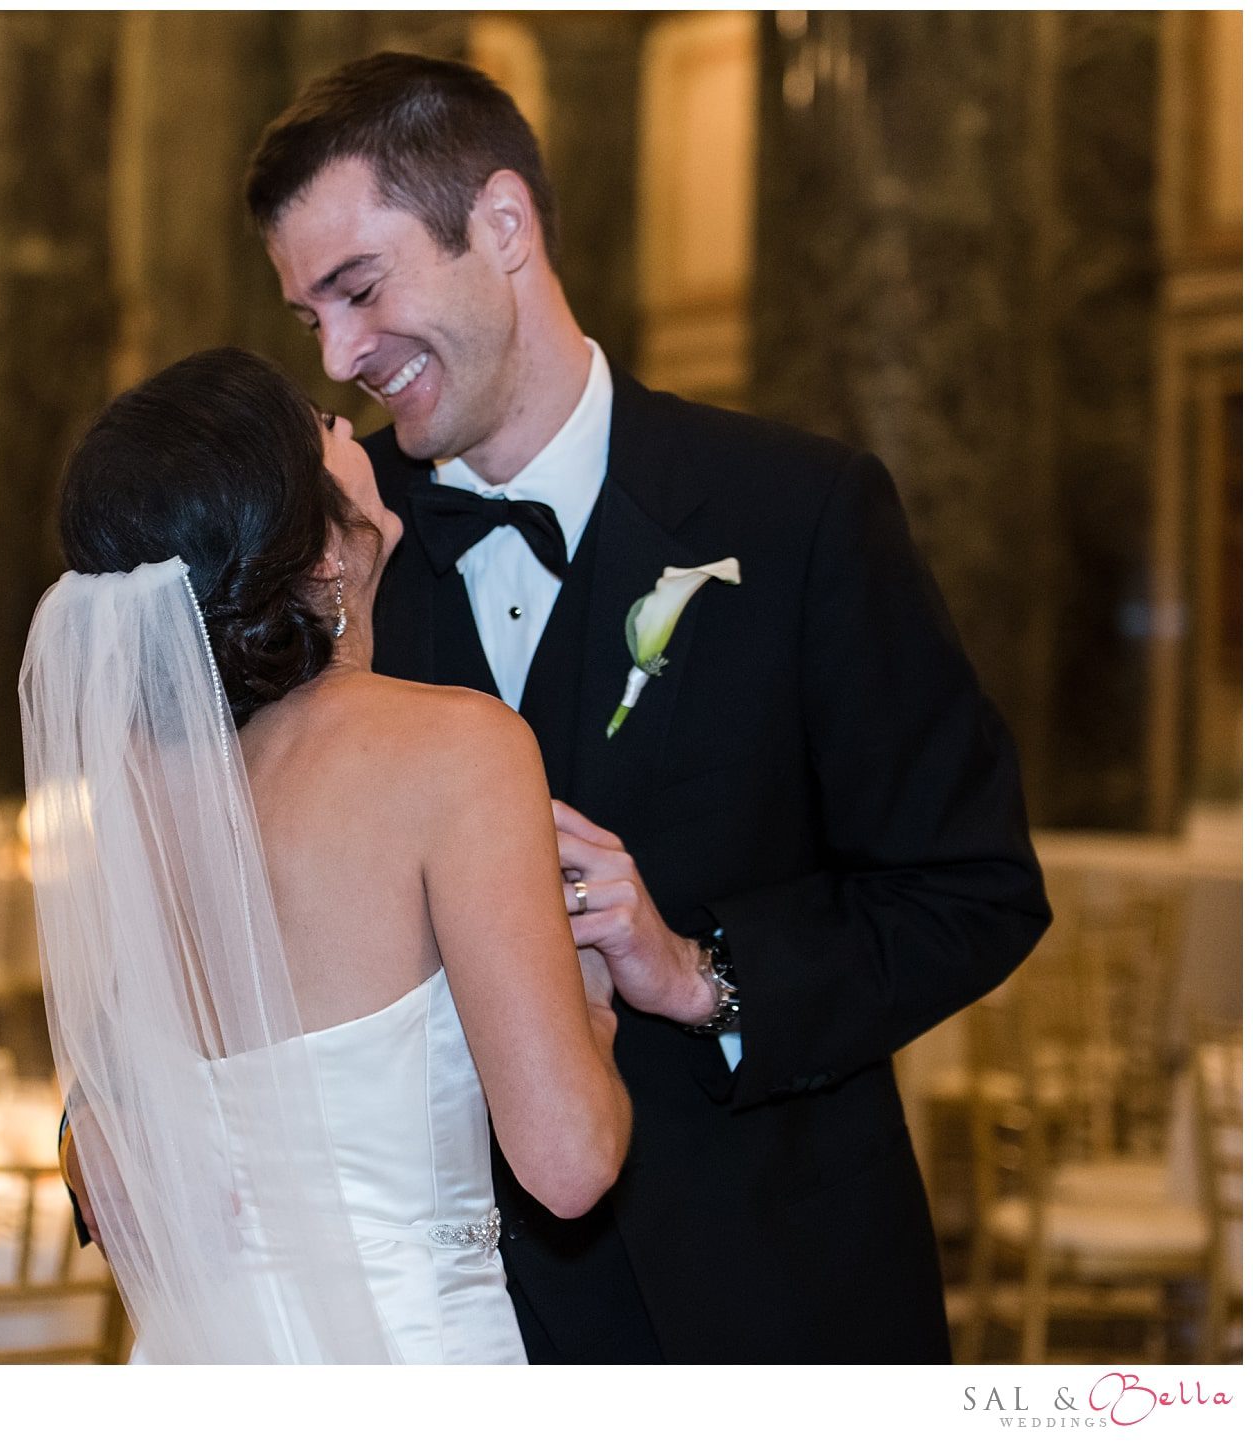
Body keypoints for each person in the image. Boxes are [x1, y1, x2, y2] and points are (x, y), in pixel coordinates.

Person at [238, 51, 1050, 1362]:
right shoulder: (328, 553)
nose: (339, 356)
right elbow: (219, 870)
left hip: (763, 1305)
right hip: (438, 1339)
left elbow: (973, 889)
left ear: (501, 226)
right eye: (308, 318)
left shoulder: (800, 517)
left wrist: (697, 975)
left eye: (360, 288)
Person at [24, 346, 630, 1362]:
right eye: (317, 428)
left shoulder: (137, 778)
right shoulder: (457, 749)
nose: (350, 425)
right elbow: (566, 1163)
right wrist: (594, 998)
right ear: (314, 550)